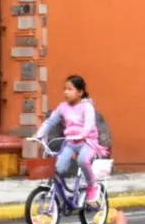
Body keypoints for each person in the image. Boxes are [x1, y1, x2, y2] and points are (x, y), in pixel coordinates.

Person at [32, 75, 108, 204]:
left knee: (83, 160)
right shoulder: (62, 107)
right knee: (58, 167)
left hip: (87, 142)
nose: (66, 92)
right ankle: (60, 194)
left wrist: (83, 134)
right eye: (65, 89)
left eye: (70, 89)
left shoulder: (86, 106)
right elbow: (50, 122)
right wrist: (39, 134)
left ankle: (92, 185)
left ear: (80, 92)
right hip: (70, 143)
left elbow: (90, 123)